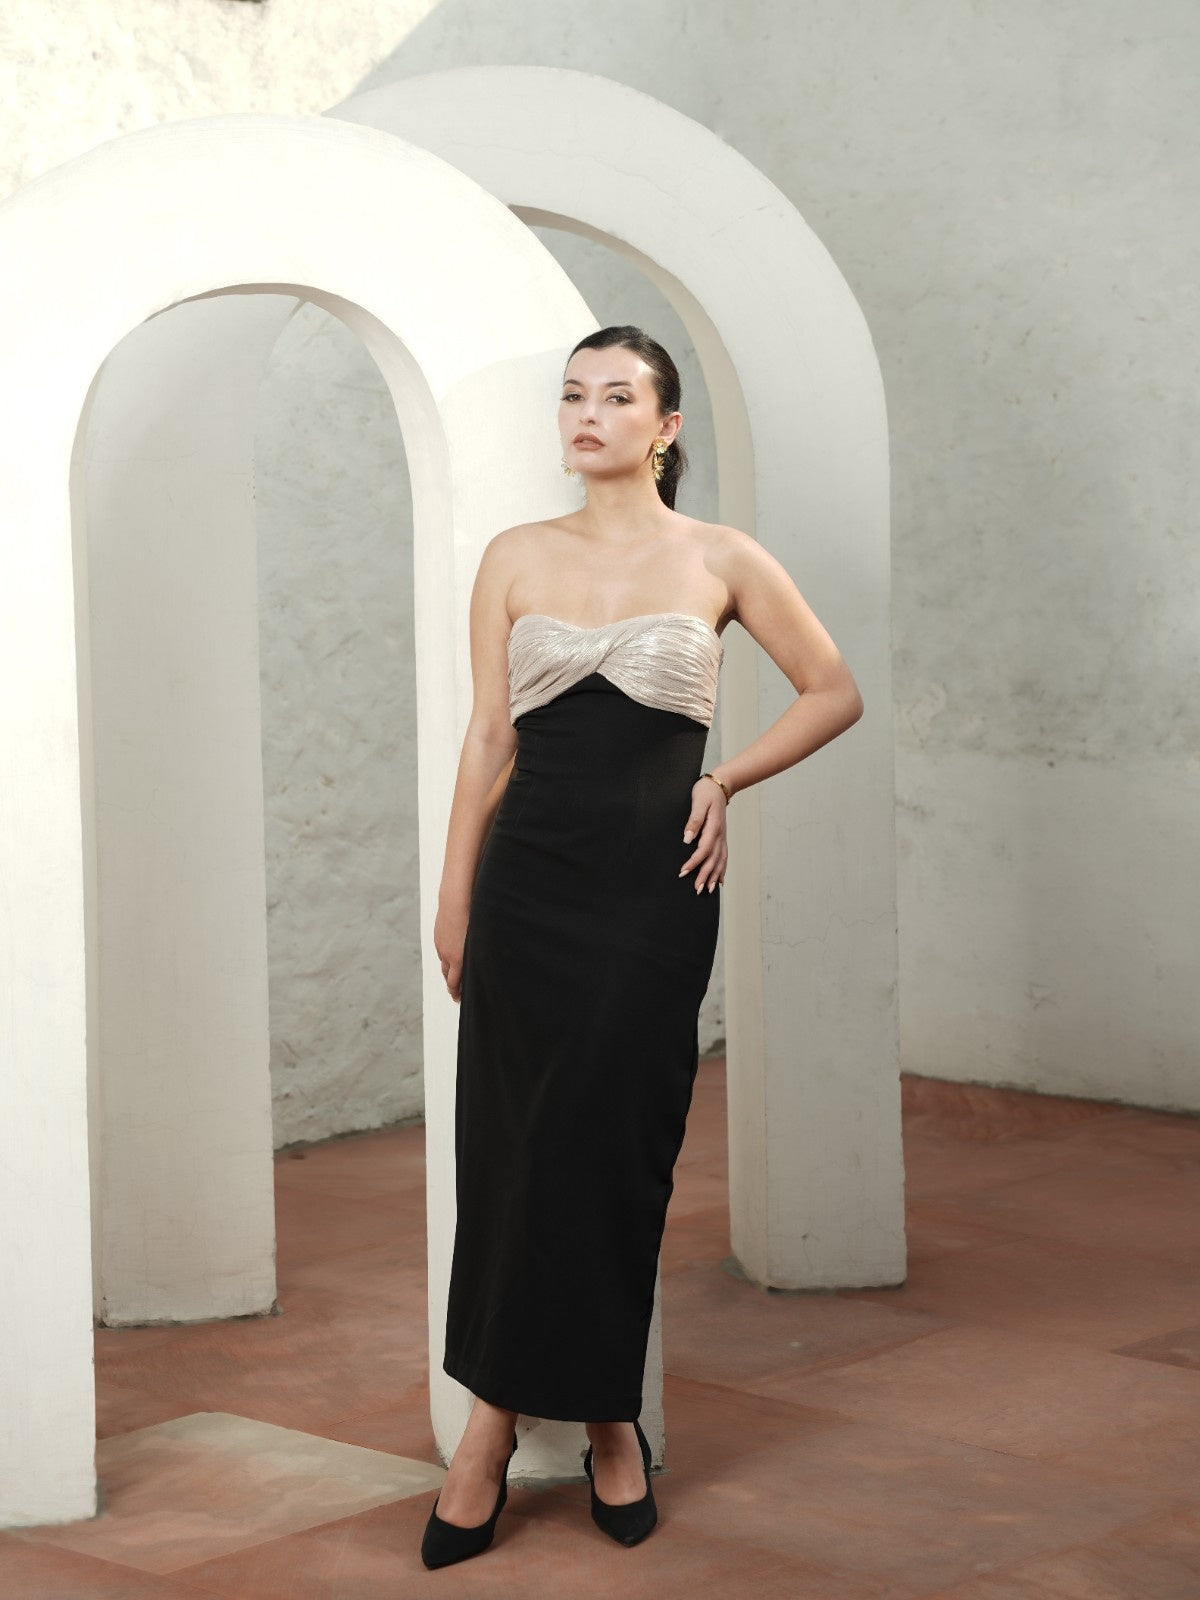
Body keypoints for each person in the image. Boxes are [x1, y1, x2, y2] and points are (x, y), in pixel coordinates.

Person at [422, 325, 864, 1568]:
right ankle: (525, 1429)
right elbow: (489, 740)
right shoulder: (515, 556)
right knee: (513, 1149)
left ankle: (570, 1419)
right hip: (526, 888)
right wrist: (452, 893)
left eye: (618, 396)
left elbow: (834, 689)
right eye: (574, 394)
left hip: (651, 895)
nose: (589, 413)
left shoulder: (721, 556)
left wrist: (726, 778)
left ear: (665, 427)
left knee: (614, 1151)